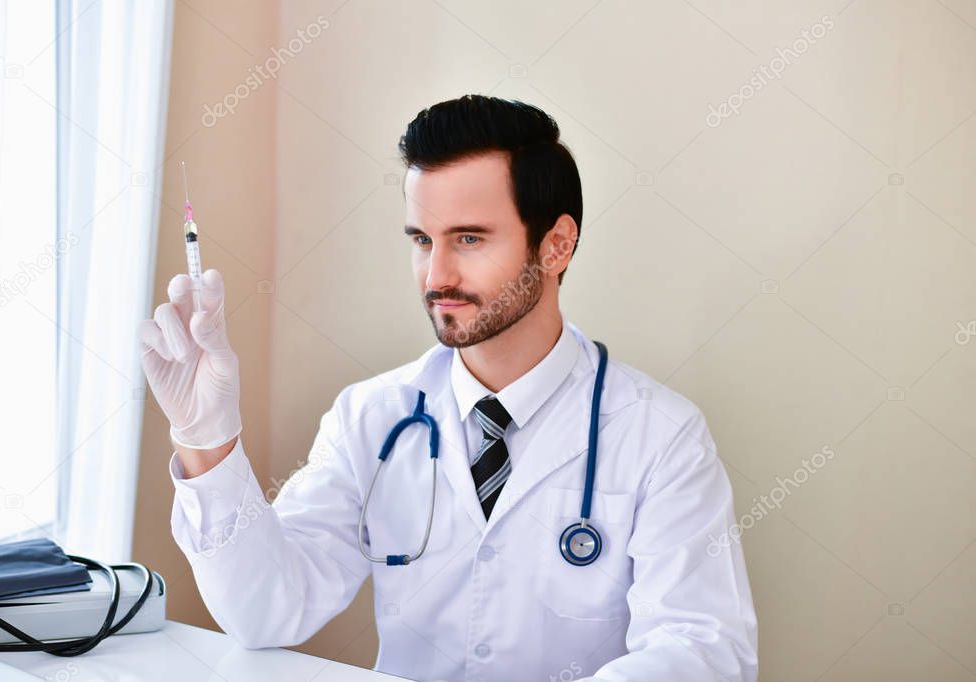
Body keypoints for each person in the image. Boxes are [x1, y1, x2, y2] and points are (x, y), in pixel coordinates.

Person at [138, 94, 758, 681]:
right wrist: (207, 439)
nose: (436, 275)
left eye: (469, 238)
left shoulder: (661, 436)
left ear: (556, 245)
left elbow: (701, 651)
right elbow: (267, 610)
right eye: (421, 240)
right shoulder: (372, 416)